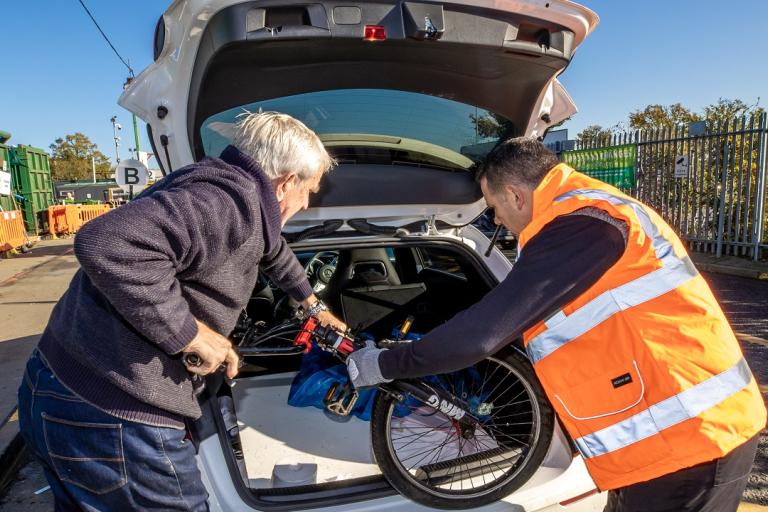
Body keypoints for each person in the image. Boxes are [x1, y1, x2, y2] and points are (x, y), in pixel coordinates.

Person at [347, 137, 766, 512]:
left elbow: (480, 335)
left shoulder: (587, 224)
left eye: (492, 209)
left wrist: (387, 363)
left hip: (694, 439)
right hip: (660, 442)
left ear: (515, 194)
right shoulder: (577, 221)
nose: (495, 221)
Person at [17, 112, 345, 510]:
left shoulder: (226, 189)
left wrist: (312, 304)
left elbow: (274, 250)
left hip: (59, 385)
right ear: (286, 182)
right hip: (115, 418)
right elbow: (104, 242)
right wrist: (189, 333)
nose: (309, 201)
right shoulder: (226, 203)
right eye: (309, 189)